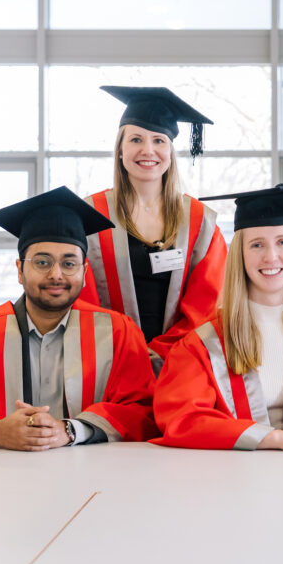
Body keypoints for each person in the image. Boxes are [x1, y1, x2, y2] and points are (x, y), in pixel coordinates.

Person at [0, 187, 157, 449]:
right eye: (42, 262)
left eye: (69, 263)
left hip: (91, 480)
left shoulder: (117, 332)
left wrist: (71, 430)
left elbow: (142, 411)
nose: (56, 274)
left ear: (85, 272)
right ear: (19, 270)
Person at [153, 184, 283, 451]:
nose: (271, 256)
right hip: (231, 481)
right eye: (256, 245)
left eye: (282, 242)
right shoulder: (204, 345)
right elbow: (182, 421)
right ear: (239, 256)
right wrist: (278, 439)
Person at [80, 86, 228, 371]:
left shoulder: (200, 220)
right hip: (109, 365)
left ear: (170, 152)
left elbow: (207, 306)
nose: (148, 150)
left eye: (159, 141)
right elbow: (83, 303)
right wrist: (128, 355)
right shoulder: (90, 215)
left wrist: (160, 356)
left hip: (182, 365)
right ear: (121, 150)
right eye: (136, 139)